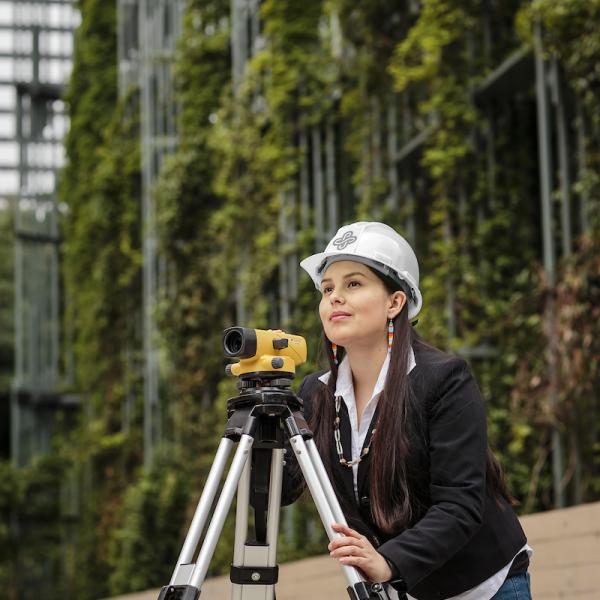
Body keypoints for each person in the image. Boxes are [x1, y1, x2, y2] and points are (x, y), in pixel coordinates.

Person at [283, 221, 533, 600]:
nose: (335, 297)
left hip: (483, 585)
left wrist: (390, 563)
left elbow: (459, 504)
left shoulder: (444, 380)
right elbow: (283, 490)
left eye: (353, 284)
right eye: (327, 288)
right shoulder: (315, 393)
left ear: (394, 302)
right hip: (402, 589)